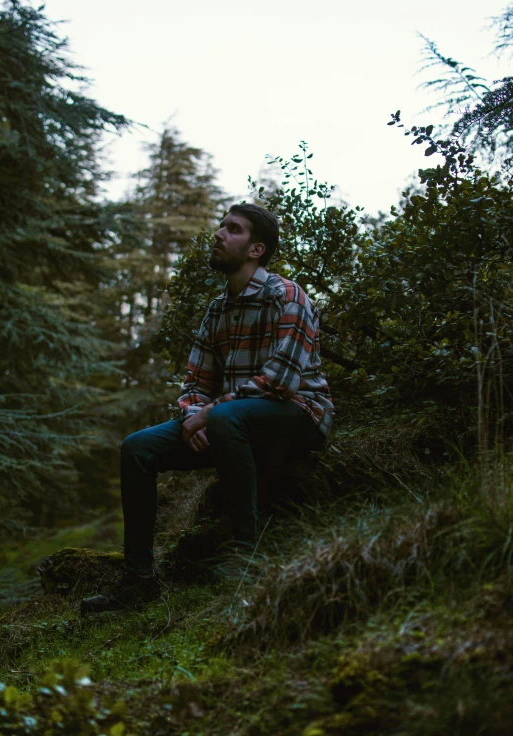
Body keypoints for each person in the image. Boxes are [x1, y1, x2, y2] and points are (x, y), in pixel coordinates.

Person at [80, 203, 333, 614]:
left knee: (227, 416)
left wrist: (210, 413)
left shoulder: (287, 296)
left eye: (233, 229)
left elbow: (280, 381)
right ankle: (139, 581)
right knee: (136, 448)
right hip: (229, 423)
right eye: (221, 225)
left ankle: (246, 556)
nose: (218, 233)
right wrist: (193, 417)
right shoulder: (218, 308)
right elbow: (195, 382)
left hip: (298, 415)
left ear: (256, 249)